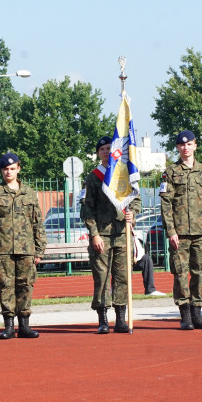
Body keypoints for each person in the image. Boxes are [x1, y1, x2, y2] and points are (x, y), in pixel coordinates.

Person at [0, 152, 46, 339]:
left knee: (26, 285)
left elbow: (37, 223)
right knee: (6, 286)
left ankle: (24, 325)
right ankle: (8, 326)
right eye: (5, 169)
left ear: (18, 169)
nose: (8, 172)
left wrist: (40, 249)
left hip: (26, 249)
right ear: (1, 171)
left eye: (12, 168)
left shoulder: (29, 193)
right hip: (3, 250)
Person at [83, 136, 142, 333]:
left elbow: (136, 199)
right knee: (102, 277)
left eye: (109, 148)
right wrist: (94, 234)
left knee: (122, 277)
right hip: (102, 235)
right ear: (98, 154)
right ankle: (103, 319)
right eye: (102, 149)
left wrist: (133, 214)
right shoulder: (93, 177)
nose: (106, 152)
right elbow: (87, 209)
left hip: (122, 233)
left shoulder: (124, 174)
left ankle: (121, 319)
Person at [159, 130, 202, 330]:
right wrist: (171, 231)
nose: (186, 148)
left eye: (189, 144)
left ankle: (197, 314)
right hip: (180, 233)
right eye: (182, 145)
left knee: (199, 273)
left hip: (201, 232)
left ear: (195, 146)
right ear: (177, 147)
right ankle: (185, 316)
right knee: (180, 273)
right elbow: (166, 204)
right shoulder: (170, 172)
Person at [133, 230, 163, 296]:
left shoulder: (135, 235)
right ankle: (117, 290)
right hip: (124, 260)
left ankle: (150, 290)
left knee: (147, 258)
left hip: (136, 260)